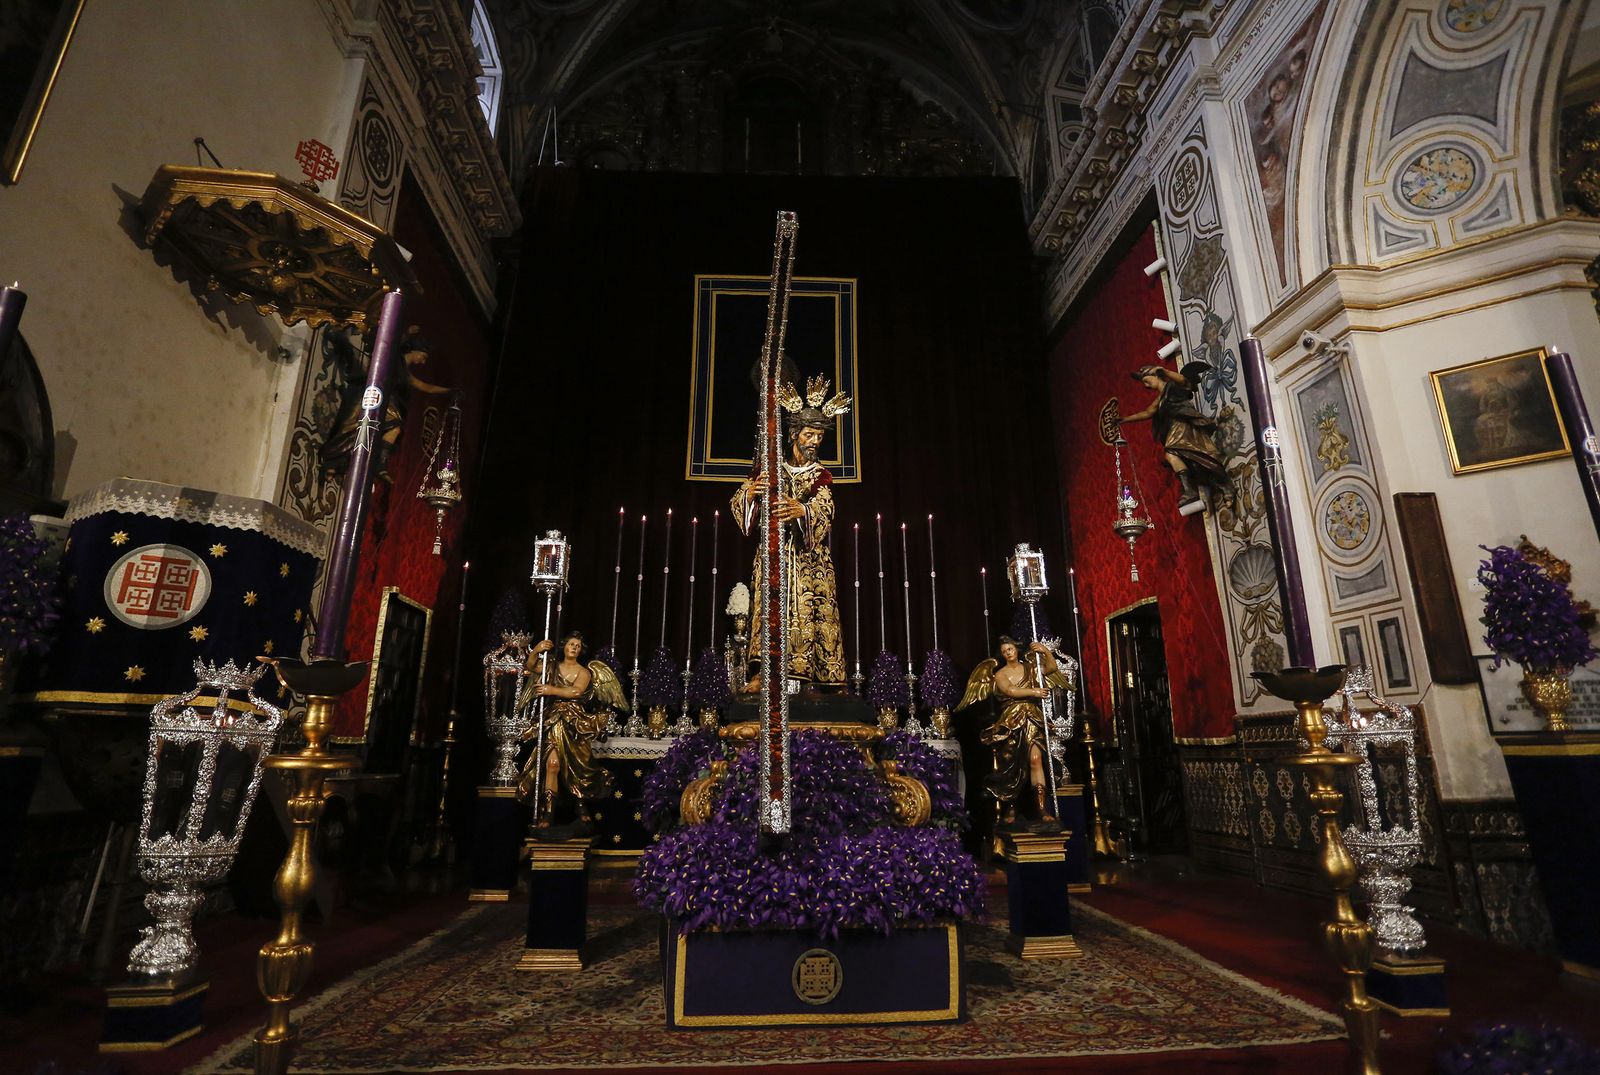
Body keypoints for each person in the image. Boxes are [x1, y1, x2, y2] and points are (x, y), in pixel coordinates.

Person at [730, 373, 849, 690]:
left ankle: (814, 678)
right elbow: (740, 502)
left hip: (809, 560)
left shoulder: (821, 475)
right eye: (809, 434)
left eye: (819, 437)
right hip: (774, 554)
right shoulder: (770, 468)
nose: (814, 442)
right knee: (769, 611)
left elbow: (825, 509)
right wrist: (750, 495)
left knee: (811, 613)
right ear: (794, 434)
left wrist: (803, 511)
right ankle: (763, 674)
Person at [957, 636, 1074, 827]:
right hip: (1011, 720)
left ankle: (1042, 808)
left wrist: (1044, 650)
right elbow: (1010, 691)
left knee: (1036, 760)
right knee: (1012, 765)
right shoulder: (1000, 674)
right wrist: (1034, 692)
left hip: (1032, 717)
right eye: (1004, 651)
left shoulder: (1031, 668)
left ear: (1016, 649)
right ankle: (1011, 806)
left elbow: (1052, 668)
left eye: (1010, 649)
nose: (1008, 653)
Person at [515, 631, 627, 827]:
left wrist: (551, 690)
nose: (574, 647)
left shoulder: (584, 672)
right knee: (552, 764)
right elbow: (531, 666)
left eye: (578, 645)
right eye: (571, 644)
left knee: (576, 765)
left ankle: (580, 803)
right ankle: (548, 810)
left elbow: (576, 691)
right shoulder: (552, 666)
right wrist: (536, 650)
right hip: (553, 719)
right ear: (564, 646)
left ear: (581, 650)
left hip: (574, 722)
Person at [1121, 361, 1231, 510]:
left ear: (1156, 375)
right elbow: (1147, 412)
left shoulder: (1173, 386)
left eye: (1146, 381)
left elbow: (1184, 380)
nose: (1146, 386)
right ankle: (1198, 489)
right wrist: (1123, 420)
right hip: (1174, 428)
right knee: (1176, 457)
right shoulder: (1160, 399)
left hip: (1183, 425)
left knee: (1171, 448)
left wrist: (1164, 371)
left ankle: (1198, 489)